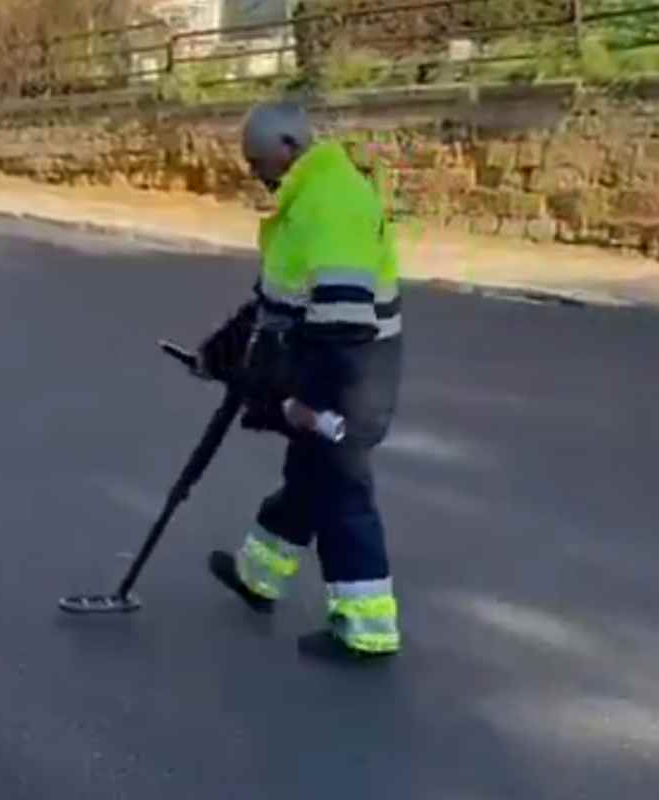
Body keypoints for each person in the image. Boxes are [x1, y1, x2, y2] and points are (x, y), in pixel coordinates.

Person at [197, 100, 404, 658]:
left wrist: (297, 403)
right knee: (309, 475)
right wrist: (221, 352)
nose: (255, 174)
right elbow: (275, 302)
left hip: (353, 372)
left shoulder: (331, 202)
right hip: (334, 363)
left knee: (342, 491)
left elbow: (342, 324)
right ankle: (257, 576)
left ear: (289, 146)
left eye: (258, 161)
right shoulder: (303, 201)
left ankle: (366, 631)